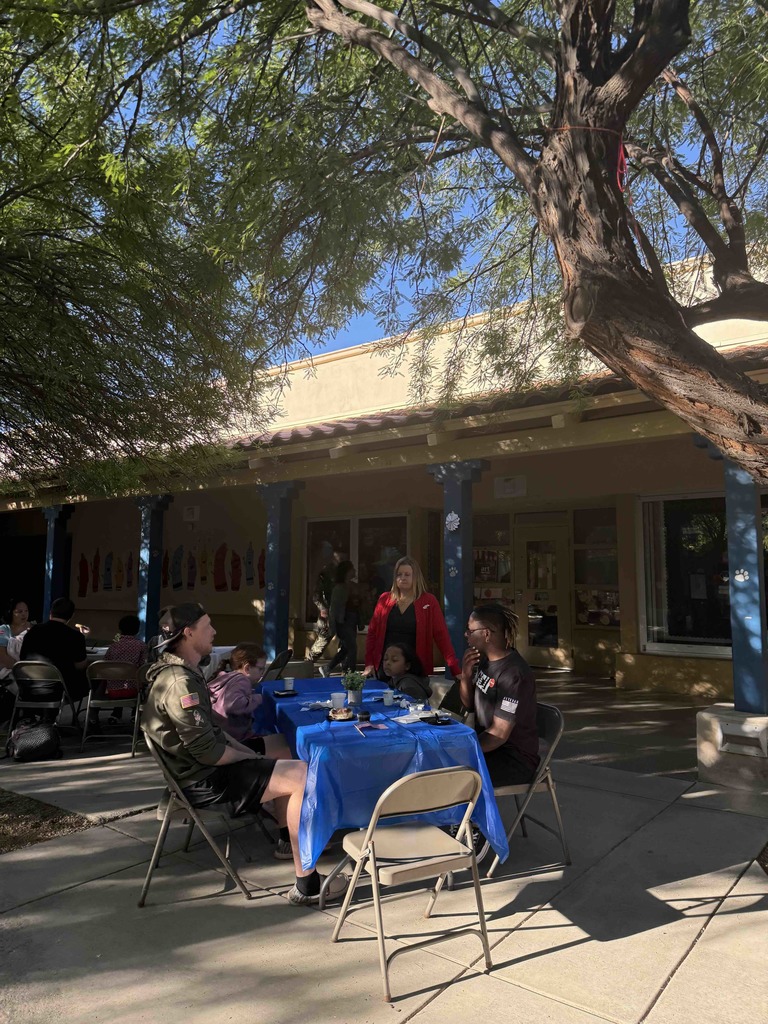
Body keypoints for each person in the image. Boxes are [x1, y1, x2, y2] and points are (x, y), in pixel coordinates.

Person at [141, 602, 348, 906]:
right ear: (188, 633)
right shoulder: (179, 682)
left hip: (202, 762)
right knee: (301, 774)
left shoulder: (185, 671)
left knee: (283, 745)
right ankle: (308, 884)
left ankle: (283, 837)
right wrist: (253, 760)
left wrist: (251, 752)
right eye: (207, 625)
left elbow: (213, 730)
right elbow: (209, 752)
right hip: (202, 778)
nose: (214, 631)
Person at [458, 602, 540, 786]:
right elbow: (468, 705)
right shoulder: (486, 662)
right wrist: (465, 676)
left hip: (513, 759)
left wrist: (464, 750)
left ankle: (469, 815)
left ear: (486, 634)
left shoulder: (513, 674)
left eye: (470, 631)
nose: (466, 635)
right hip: (489, 747)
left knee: (453, 776)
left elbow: (498, 734)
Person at [364, 556, 460, 681]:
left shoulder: (429, 601)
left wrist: (455, 668)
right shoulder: (385, 599)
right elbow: (372, 633)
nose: (402, 578)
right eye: (399, 574)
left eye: (407, 574)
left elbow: (442, 637)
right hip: (386, 669)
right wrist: (369, 664)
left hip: (414, 670)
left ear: (416, 577)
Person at [208, 642, 289, 757]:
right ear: (247, 668)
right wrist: (258, 698)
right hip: (236, 742)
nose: (262, 673)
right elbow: (231, 704)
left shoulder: (225, 677)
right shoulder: (242, 680)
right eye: (260, 669)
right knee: (287, 743)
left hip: (223, 739)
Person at [20, 596, 88, 703]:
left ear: (51, 612)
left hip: (29, 688)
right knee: (92, 678)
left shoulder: (33, 631)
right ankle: (92, 716)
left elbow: (22, 658)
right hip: (60, 690)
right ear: (71, 616)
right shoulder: (75, 636)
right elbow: (80, 665)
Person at [103, 614, 148, 724]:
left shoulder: (113, 646)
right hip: (134, 690)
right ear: (137, 629)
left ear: (120, 629)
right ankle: (135, 714)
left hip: (112, 691)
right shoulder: (141, 646)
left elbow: (104, 665)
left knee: (118, 679)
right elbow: (143, 667)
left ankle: (116, 713)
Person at [309, 546, 346, 662]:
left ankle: (344, 667)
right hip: (328, 612)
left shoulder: (343, 573)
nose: (341, 560)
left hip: (342, 612)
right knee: (323, 638)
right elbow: (316, 595)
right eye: (339, 558)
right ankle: (309, 662)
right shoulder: (325, 574)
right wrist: (323, 609)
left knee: (345, 640)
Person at [327, 561, 360, 674]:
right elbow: (334, 609)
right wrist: (333, 627)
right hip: (343, 622)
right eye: (352, 569)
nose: (355, 571)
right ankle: (350, 673)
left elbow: (357, 604)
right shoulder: (339, 588)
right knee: (352, 648)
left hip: (352, 621)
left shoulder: (352, 586)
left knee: (346, 649)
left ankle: (328, 668)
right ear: (346, 572)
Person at [0, 598, 34, 680]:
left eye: (26, 611)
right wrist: (21, 669)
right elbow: (2, 656)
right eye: (20, 612)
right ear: (11, 613)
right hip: (11, 673)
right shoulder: (3, 629)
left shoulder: (34, 629)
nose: (24, 614)